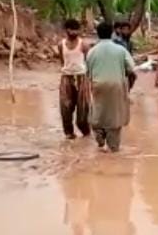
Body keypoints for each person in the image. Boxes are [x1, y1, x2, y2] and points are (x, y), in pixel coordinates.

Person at [87, 22, 136, 152]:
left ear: (98, 34)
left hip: (98, 84)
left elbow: (88, 72)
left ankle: (99, 134)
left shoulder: (92, 51)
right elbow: (131, 68)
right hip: (116, 84)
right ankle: (113, 146)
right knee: (115, 114)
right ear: (111, 33)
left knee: (98, 110)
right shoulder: (120, 50)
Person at [58, 19, 90, 139]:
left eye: (77, 29)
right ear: (66, 30)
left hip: (81, 77)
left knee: (83, 109)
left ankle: (86, 132)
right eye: (72, 29)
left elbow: (88, 62)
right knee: (65, 108)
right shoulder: (61, 45)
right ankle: (69, 133)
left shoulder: (84, 45)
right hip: (67, 78)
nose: (74, 32)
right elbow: (62, 61)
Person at [112, 21, 137, 90]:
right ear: (120, 30)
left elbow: (131, 54)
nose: (125, 31)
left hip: (127, 65)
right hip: (118, 65)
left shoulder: (130, 43)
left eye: (127, 29)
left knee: (133, 77)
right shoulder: (116, 41)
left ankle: (127, 92)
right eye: (123, 29)